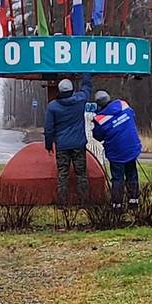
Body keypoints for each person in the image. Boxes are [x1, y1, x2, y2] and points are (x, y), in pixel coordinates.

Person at [43, 78, 92, 207]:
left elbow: (49, 128)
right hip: (78, 144)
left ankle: (62, 204)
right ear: (72, 90)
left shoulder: (53, 106)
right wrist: (87, 72)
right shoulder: (80, 100)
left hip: (62, 146)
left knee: (63, 174)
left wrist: (48, 145)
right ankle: (84, 202)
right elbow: (87, 88)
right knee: (81, 174)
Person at [91, 90, 142, 208]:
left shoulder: (100, 119)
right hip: (131, 147)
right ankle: (133, 201)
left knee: (117, 178)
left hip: (116, 152)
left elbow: (97, 136)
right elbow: (132, 116)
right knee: (132, 174)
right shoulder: (123, 105)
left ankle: (117, 204)